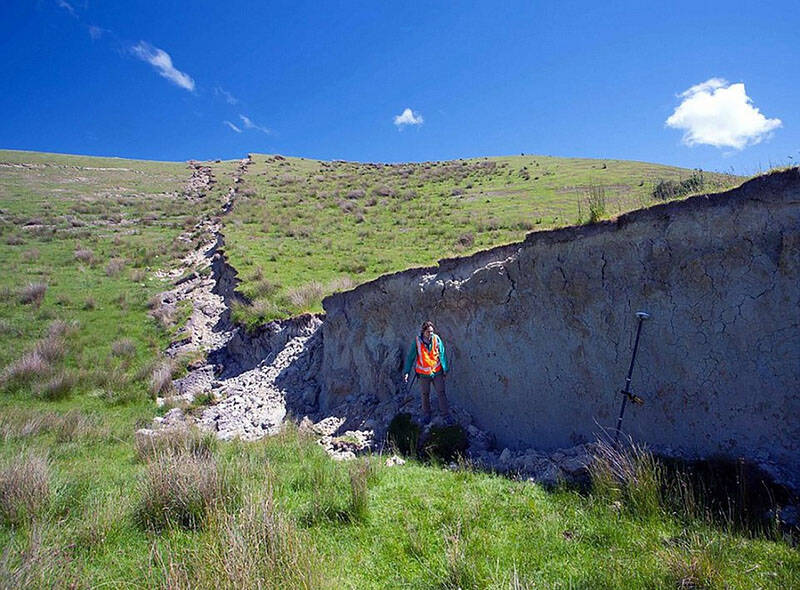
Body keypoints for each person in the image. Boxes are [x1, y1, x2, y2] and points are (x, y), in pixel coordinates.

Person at [403, 321, 450, 422]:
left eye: (432, 331)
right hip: (423, 374)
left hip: (437, 372)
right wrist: (406, 371)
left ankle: (445, 415)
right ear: (423, 331)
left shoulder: (436, 339)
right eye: (428, 332)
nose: (431, 334)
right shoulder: (417, 341)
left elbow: (442, 354)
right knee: (425, 394)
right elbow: (410, 357)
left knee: (441, 392)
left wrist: (445, 369)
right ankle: (426, 414)